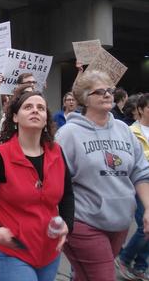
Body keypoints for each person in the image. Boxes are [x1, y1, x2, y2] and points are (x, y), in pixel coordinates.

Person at [56, 71, 149, 280]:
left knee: (86, 276)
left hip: (119, 222)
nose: (107, 95)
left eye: (110, 91)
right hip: (83, 221)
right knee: (103, 276)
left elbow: (140, 171)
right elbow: (56, 179)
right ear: (85, 99)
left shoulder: (124, 130)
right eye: (99, 92)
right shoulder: (68, 134)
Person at [0, 90, 73, 281]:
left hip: (49, 252)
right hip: (12, 251)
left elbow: (67, 194)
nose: (35, 110)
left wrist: (68, 224)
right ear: (15, 117)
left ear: (45, 119)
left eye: (40, 108)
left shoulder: (57, 152)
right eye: (28, 107)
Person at [116, 93, 149, 281]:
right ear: (140, 110)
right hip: (140, 182)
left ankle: (141, 265)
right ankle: (126, 257)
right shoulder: (130, 131)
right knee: (144, 225)